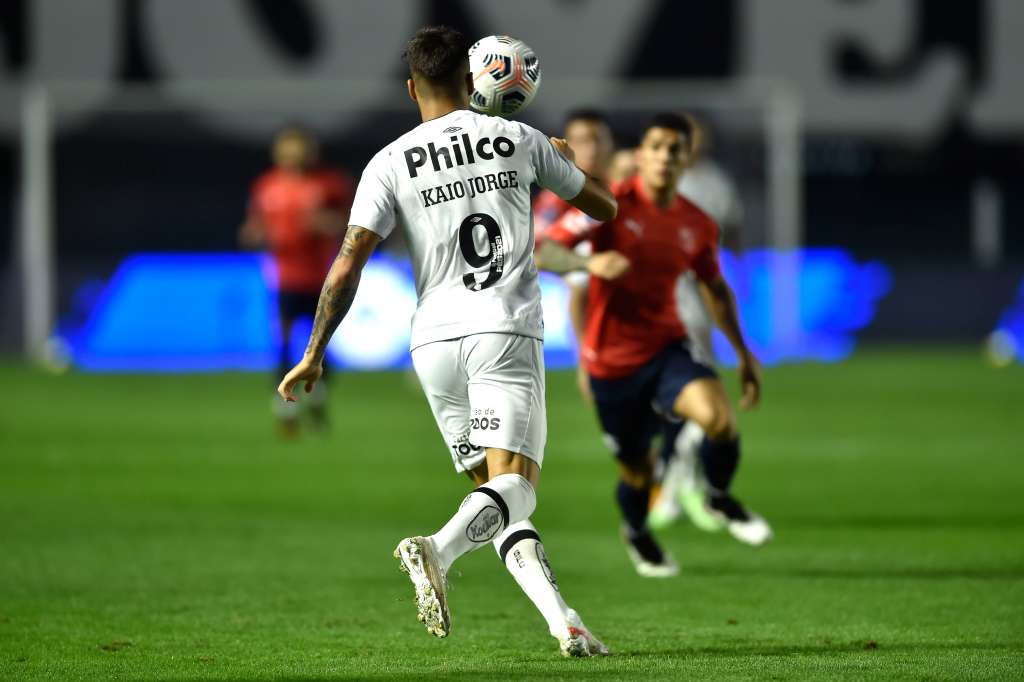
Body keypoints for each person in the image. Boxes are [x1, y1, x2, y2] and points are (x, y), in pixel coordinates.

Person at [277, 26, 623, 657]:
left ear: (412, 88)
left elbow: (349, 260)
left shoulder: (387, 161)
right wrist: (564, 161)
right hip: (503, 330)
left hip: (432, 343)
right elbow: (605, 210)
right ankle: (435, 549)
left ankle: (564, 621)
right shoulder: (519, 139)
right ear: (474, 81)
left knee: (493, 501)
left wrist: (314, 350)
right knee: (516, 485)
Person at [535, 113, 771, 578]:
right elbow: (546, 252)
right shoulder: (608, 205)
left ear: (686, 160)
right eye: (656, 147)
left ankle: (718, 496)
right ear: (640, 156)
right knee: (638, 473)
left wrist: (743, 355)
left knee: (719, 419)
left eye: (674, 149)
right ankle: (637, 531)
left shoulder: (696, 223)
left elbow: (715, 289)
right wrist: (592, 263)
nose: (664, 156)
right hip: (612, 365)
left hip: (667, 348)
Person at [648, 115, 758, 537]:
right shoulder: (655, 180)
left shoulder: (715, 182)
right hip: (657, 301)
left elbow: (732, 228)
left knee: (692, 393)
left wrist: (742, 268)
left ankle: (677, 483)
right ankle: (676, 482)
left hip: (694, 302)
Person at [240, 127, 353, 436]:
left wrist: (323, 223)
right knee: (285, 346)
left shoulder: (329, 184)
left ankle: (318, 399)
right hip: (285, 279)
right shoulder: (268, 186)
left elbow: (350, 225)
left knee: (321, 347)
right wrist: (255, 235)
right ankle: (285, 409)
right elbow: (253, 227)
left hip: (323, 279)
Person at [533, 109, 616, 402]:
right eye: (582, 140)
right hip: (597, 293)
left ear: (611, 144)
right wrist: (587, 263)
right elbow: (539, 255)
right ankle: (587, 359)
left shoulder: (629, 183)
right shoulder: (555, 198)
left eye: (597, 140)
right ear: (567, 146)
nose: (591, 149)